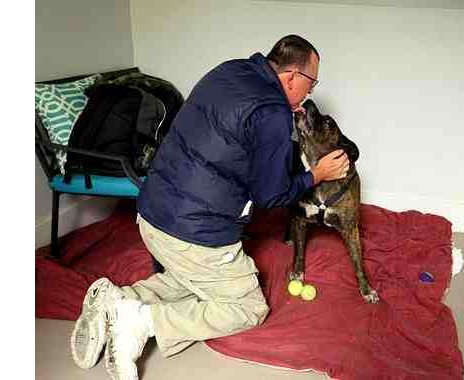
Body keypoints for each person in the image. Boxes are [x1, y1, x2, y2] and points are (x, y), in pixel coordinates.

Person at [70, 35, 349, 380]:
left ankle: (117, 299)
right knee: (247, 306)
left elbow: (236, 128)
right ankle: (140, 321)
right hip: (194, 234)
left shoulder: (231, 70)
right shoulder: (272, 115)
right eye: (311, 83)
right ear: (293, 76)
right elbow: (270, 196)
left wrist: (276, 119)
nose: (310, 93)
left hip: (150, 215)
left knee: (195, 280)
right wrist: (316, 175)